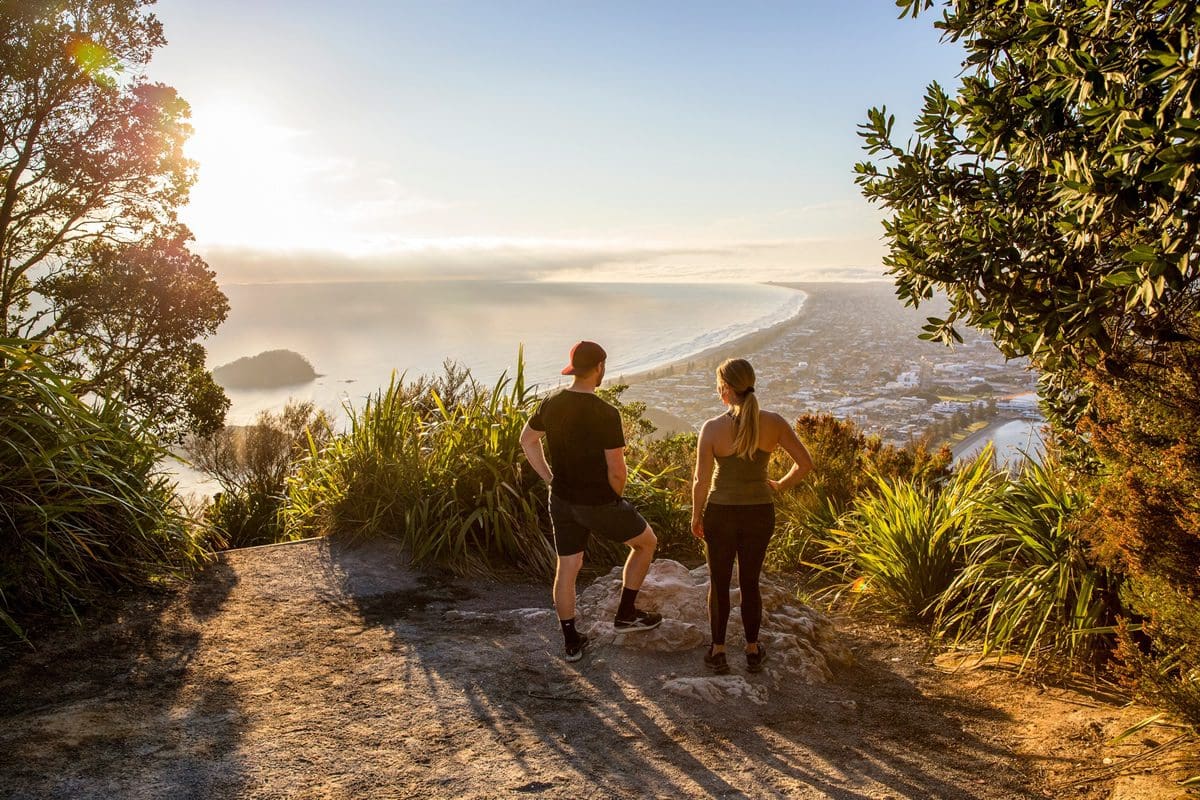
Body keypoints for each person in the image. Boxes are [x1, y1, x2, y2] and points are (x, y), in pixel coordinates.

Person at [520, 340, 663, 662]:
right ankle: (626, 615)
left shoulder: (551, 403)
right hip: (597, 500)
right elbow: (617, 469)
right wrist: (614, 499)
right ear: (599, 368)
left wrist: (549, 478)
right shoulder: (605, 413)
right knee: (645, 543)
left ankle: (571, 641)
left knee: (568, 566)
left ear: (573, 369)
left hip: (561, 499)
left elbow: (527, 441)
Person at [691, 357, 814, 675]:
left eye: (720, 387)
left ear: (727, 390)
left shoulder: (713, 428)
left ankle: (717, 651)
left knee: (719, 583)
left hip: (721, 513)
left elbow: (700, 481)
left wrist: (696, 515)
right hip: (760, 512)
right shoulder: (773, 422)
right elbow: (804, 463)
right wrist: (779, 485)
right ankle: (752, 649)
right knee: (750, 582)